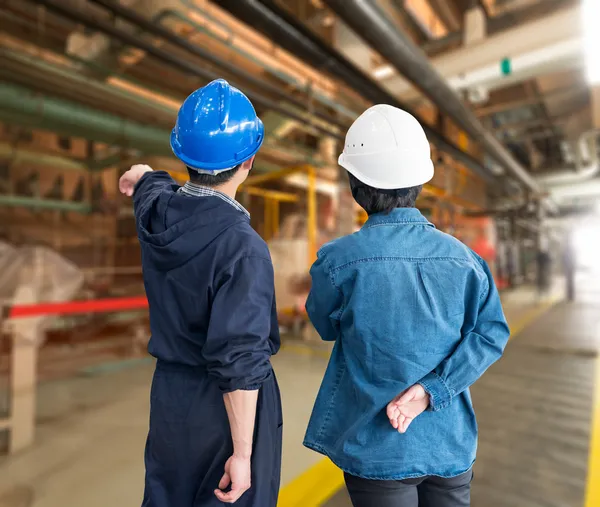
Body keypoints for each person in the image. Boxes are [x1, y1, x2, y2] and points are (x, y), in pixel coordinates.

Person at [303, 104, 510, 507]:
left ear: (355, 185)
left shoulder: (338, 261)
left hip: (377, 445)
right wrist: (434, 389)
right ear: (420, 181)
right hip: (448, 441)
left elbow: (326, 326)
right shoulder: (465, 260)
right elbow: (491, 333)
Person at [119, 79, 282, 507]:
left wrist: (137, 174)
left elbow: (149, 182)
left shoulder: (154, 211)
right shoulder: (243, 249)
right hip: (221, 410)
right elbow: (239, 357)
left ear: (183, 155)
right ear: (248, 161)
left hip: (170, 402)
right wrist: (243, 453)